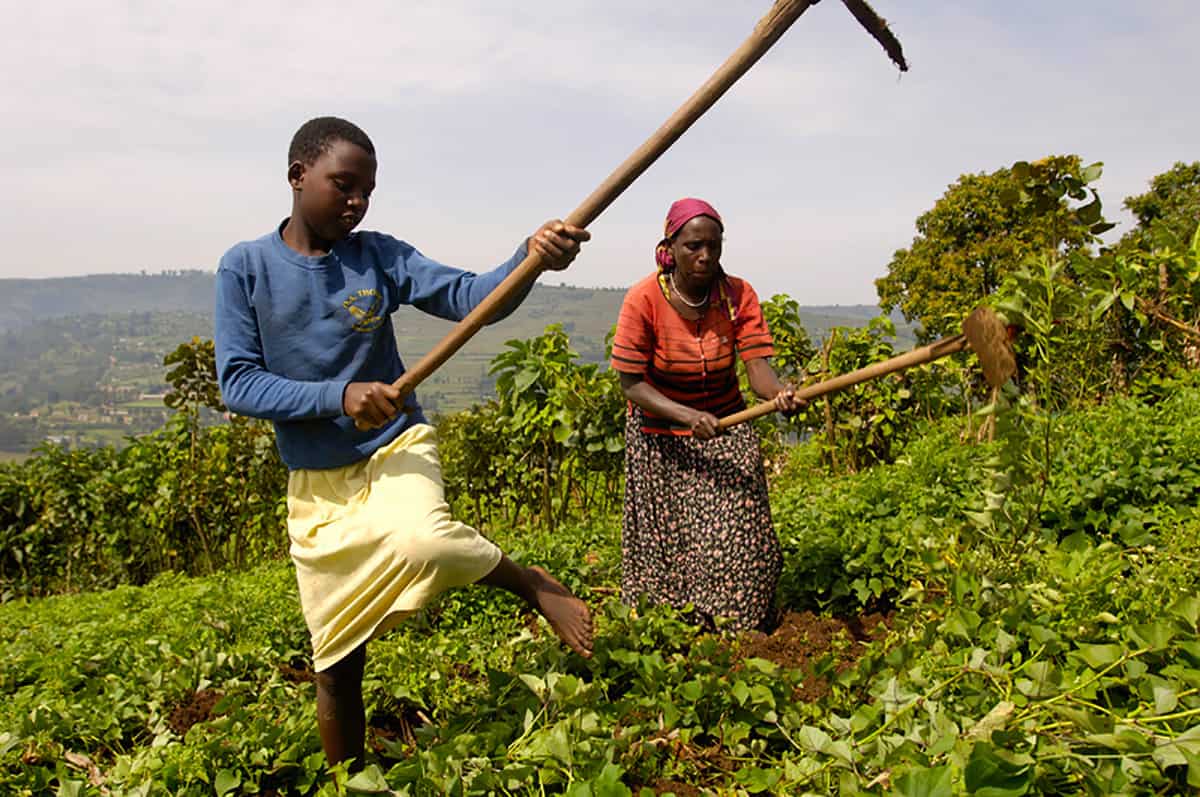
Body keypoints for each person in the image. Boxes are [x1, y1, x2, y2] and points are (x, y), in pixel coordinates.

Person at [214, 116, 594, 769]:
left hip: (395, 444)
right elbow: (239, 383)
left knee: (428, 538)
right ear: (297, 176)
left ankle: (530, 584)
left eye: (367, 189)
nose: (357, 201)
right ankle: (349, 780)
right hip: (318, 481)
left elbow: (474, 298)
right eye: (344, 184)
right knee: (335, 659)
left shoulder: (377, 256)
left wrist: (530, 259)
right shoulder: (245, 267)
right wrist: (339, 395)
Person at [610, 197, 801, 632]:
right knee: (676, 544)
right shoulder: (643, 299)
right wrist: (684, 416)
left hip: (727, 427)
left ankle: (741, 629)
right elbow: (631, 384)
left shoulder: (737, 295)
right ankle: (679, 629)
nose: (706, 256)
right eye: (694, 246)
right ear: (670, 247)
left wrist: (780, 394)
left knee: (744, 537)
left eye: (714, 246)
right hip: (661, 437)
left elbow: (757, 372)